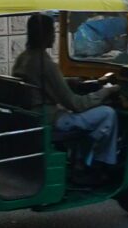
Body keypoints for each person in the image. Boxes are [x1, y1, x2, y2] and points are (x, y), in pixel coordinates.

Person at [13, 13, 120, 183]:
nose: (55, 36)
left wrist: (70, 82)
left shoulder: (24, 58)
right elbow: (76, 104)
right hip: (50, 120)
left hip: (32, 117)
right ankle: (102, 166)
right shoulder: (45, 64)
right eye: (52, 32)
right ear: (44, 35)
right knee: (108, 113)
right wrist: (107, 91)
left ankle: (81, 158)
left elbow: (46, 84)